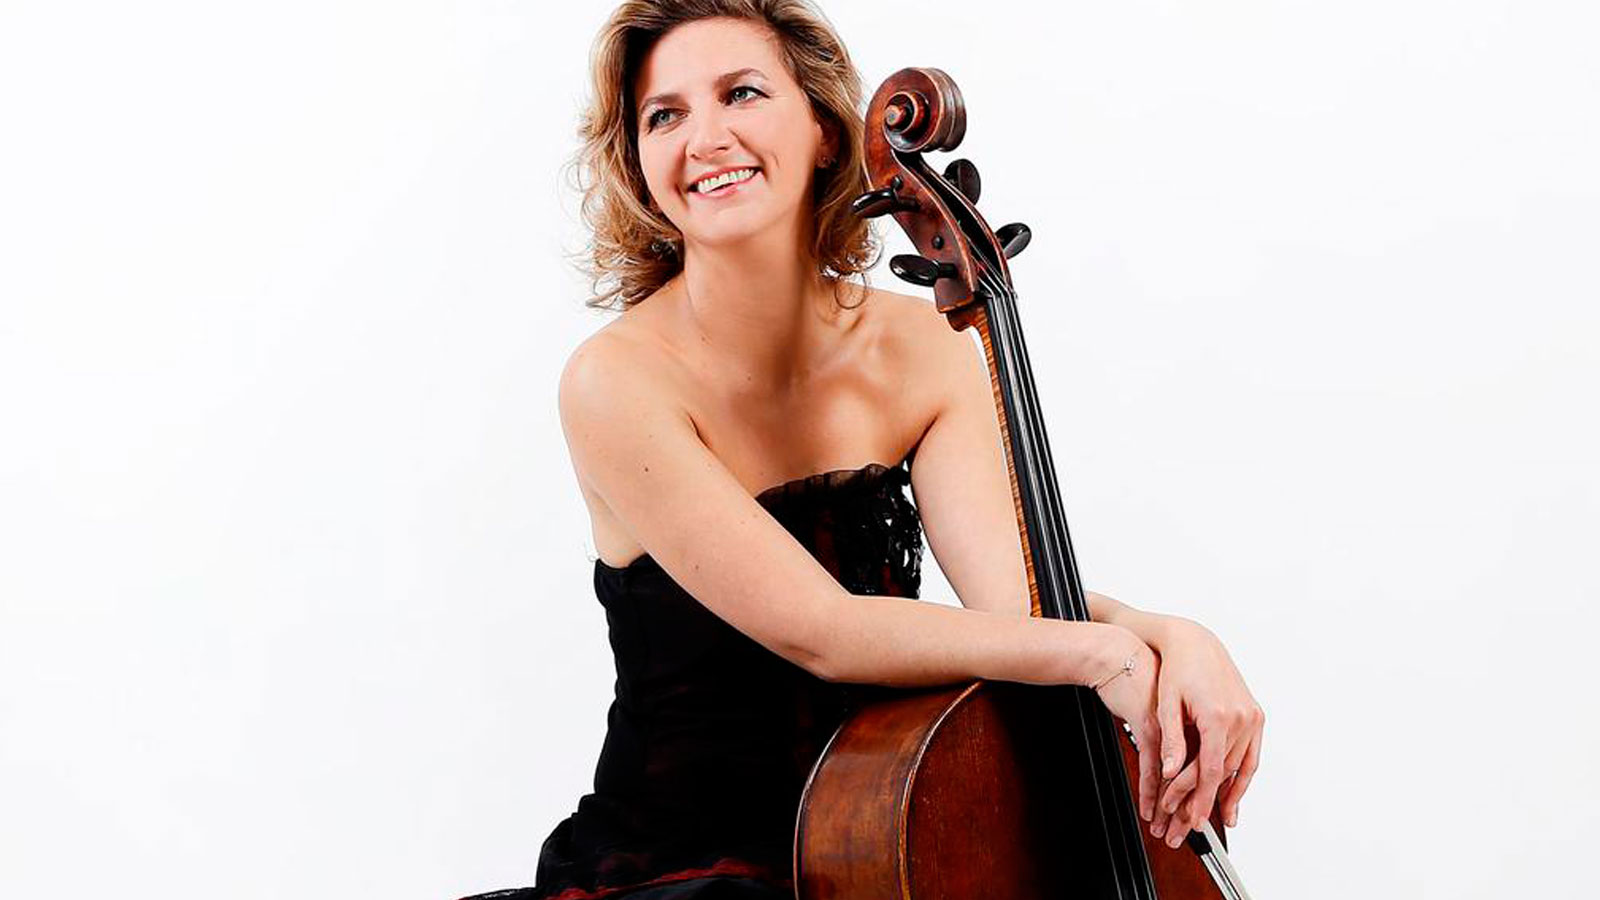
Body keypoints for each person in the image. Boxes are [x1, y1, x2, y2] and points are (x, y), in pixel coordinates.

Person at [460, 2, 1264, 897]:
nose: (706, 138)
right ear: (640, 167)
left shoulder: (920, 348)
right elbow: (826, 632)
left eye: (741, 93)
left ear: (824, 131)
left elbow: (1017, 606)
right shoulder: (615, 382)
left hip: (894, 825)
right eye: (665, 115)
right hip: (677, 866)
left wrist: (1169, 635)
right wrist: (1105, 655)